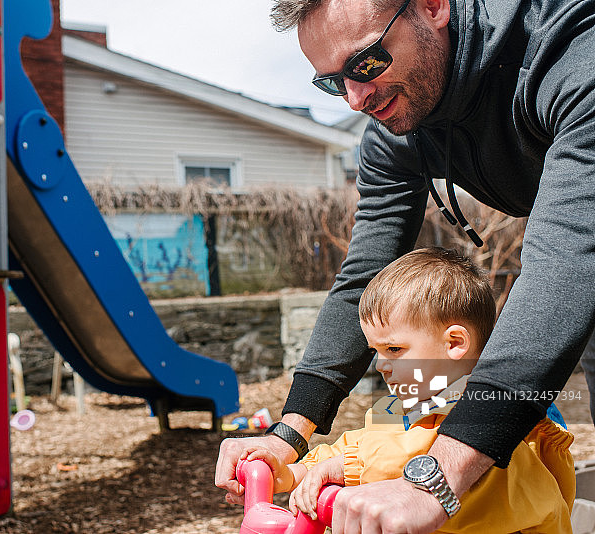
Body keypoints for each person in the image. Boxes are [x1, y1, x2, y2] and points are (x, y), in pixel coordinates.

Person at [215, 0, 595, 531]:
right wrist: (288, 434)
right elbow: (364, 276)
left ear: (434, 7)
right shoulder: (395, 131)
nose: (355, 97)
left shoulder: (572, 55)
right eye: (331, 83)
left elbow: (566, 261)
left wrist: (436, 478)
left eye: (365, 64)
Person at [239, 248, 575, 533]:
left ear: (455, 343)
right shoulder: (402, 405)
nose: (381, 365)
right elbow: (360, 445)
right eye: (376, 352)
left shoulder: (504, 419)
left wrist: (347, 467)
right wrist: (291, 473)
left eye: (395, 350)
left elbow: (421, 456)